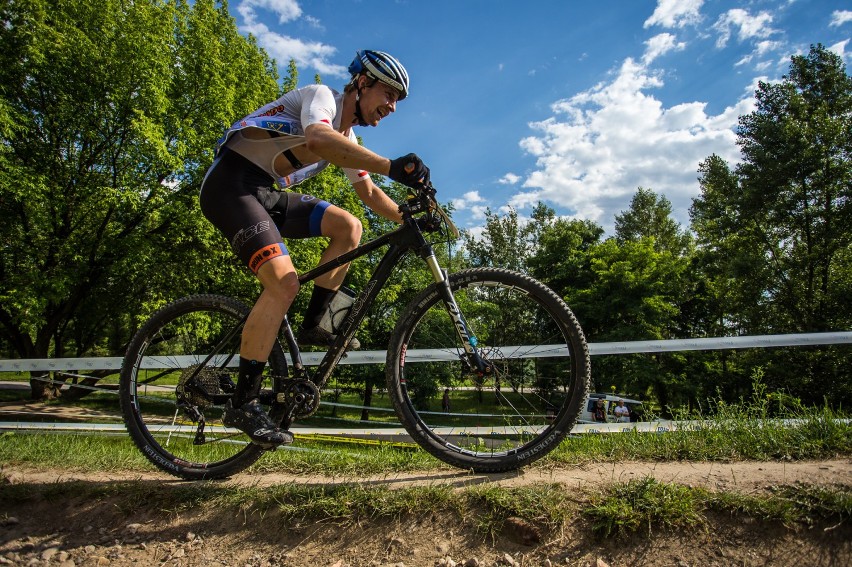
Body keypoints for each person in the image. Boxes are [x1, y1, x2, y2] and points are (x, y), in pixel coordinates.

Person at [199, 50, 429, 447]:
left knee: (348, 227)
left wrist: (413, 218)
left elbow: (370, 193)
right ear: (361, 83)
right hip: (230, 187)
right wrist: (392, 165)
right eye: (388, 95)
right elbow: (317, 139)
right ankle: (243, 402)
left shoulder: (348, 139)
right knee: (284, 283)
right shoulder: (322, 98)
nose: (392, 107)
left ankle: (314, 323)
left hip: (262, 192)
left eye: (397, 101)